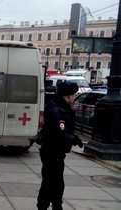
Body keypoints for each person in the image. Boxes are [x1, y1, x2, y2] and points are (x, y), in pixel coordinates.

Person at [37, 81, 84, 210]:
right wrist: (74, 139)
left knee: (57, 184)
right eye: (74, 95)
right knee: (50, 184)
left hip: (55, 152)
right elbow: (60, 135)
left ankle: (56, 206)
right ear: (68, 96)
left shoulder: (59, 107)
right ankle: (44, 207)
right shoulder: (58, 111)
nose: (75, 98)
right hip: (53, 152)